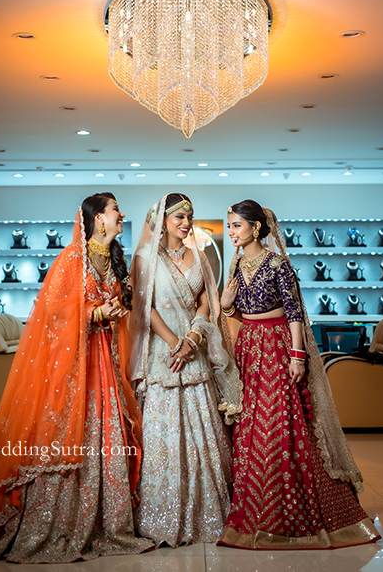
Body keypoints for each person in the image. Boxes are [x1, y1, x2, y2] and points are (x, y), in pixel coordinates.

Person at [0, 193, 152, 563]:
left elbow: (110, 306)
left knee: (108, 434)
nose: (121, 214)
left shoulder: (112, 260)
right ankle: (55, 523)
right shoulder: (72, 258)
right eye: (115, 210)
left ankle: (108, 521)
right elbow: (54, 313)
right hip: (76, 365)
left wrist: (114, 310)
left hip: (105, 360)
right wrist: (94, 313)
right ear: (98, 219)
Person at [218, 199, 380, 550]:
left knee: (280, 424)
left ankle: (288, 510)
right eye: (229, 226)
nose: (231, 232)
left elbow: (294, 313)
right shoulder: (237, 265)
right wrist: (227, 305)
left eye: (236, 225)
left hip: (277, 347)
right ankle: (255, 509)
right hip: (249, 348)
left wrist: (297, 356)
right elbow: (239, 313)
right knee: (250, 426)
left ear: (255, 228)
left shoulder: (277, 264)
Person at [129, 193, 242, 547]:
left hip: (195, 348)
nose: (186, 222)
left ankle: (208, 512)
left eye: (189, 216)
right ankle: (160, 515)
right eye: (179, 216)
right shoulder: (144, 257)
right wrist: (175, 342)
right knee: (163, 433)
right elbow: (143, 306)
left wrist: (193, 337)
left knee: (203, 431)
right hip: (163, 353)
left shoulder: (199, 255)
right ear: (162, 220)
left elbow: (206, 300)